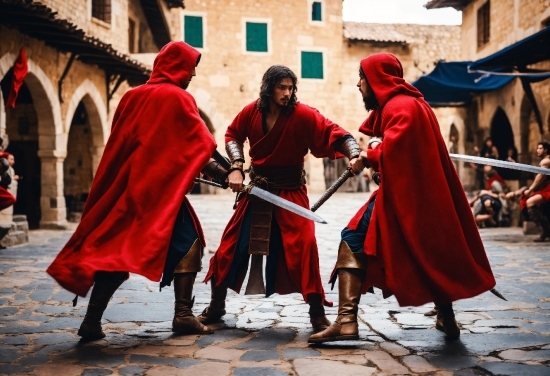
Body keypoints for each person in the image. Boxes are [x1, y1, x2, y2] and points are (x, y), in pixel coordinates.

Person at [309, 53, 495, 343]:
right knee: (429, 254)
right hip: (415, 196)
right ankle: (446, 315)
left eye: (362, 78)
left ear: (376, 79)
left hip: (409, 199)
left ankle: (346, 322)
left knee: (352, 239)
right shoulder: (405, 105)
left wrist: (368, 158)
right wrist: (374, 154)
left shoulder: (403, 106)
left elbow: (396, 149)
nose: (358, 85)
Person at [47, 41, 228, 341]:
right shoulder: (178, 98)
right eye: (189, 71)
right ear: (177, 67)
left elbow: (130, 147)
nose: (191, 77)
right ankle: (183, 315)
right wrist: (227, 175)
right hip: (158, 194)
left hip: (125, 191)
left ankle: (91, 321)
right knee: (189, 242)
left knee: (115, 254)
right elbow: (199, 146)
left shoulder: (131, 96)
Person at [199, 65, 361, 333]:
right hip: (257, 191)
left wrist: (353, 154)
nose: (287, 93)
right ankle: (217, 306)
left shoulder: (302, 114)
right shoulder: (252, 112)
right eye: (281, 87)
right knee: (230, 245)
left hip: (291, 191)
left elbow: (336, 133)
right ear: (269, 88)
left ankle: (317, 314)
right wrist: (237, 166)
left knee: (305, 245)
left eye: (290, 88)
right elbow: (232, 135)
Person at [506, 142, 550, 242]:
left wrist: (531, 189)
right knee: (526, 198)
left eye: (540, 148)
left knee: (530, 202)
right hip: (545, 188)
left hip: (548, 189)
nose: (538, 150)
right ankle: (546, 230)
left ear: (546, 150)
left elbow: (541, 176)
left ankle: (546, 231)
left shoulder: (546, 161)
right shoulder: (544, 161)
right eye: (537, 148)